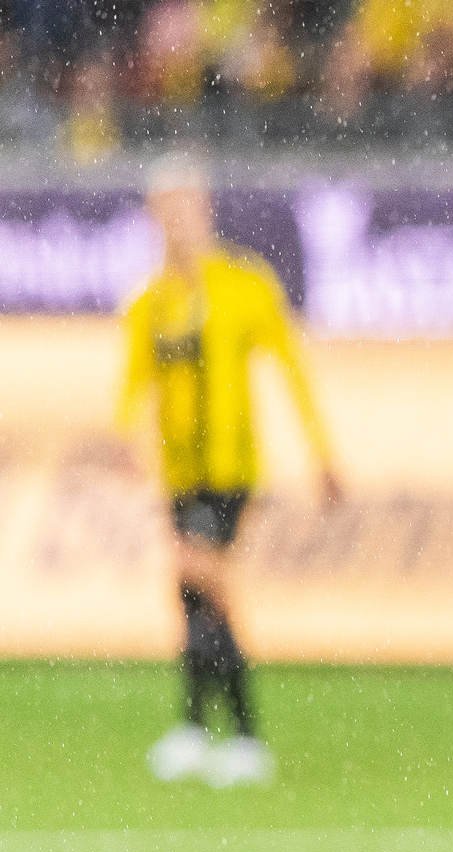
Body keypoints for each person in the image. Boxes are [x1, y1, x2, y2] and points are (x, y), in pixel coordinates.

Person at [116, 159, 342, 787]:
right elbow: (134, 385)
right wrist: (126, 442)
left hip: (231, 469)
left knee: (201, 579)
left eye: (186, 206)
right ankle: (203, 730)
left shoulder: (243, 286)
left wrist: (322, 455)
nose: (177, 221)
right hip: (179, 473)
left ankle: (241, 736)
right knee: (192, 596)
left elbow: (291, 370)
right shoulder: (152, 300)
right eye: (166, 209)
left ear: (204, 209)